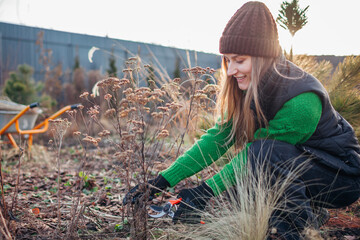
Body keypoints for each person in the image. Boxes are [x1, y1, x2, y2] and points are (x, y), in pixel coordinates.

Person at [123, 1, 360, 239]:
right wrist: (160, 182)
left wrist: (205, 192)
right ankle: (309, 214)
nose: (230, 70)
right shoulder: (247, 89)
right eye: (227, 61)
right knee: (240, 190)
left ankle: (293, 229)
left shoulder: (301, 99)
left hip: (340, 179)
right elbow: (218, 138)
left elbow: (261, 156)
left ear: (263, 57)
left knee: (261, 157)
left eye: (239, 60)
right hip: (299, 167)